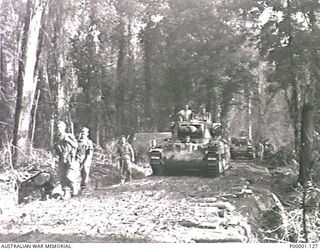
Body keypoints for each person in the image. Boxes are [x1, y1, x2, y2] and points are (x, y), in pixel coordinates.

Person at [54, 121, 80, 199]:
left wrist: (68, 140)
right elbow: (54, 148)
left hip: (70, 158)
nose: (59, 129)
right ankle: (66, 192)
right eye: (58, 128)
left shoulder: (69, 136)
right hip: (61, 158)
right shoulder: (56, 138)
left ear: (64, 128)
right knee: (62, 176)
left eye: (61, 127)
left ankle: (74, 188)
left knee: (69, 175)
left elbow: (76, 145)